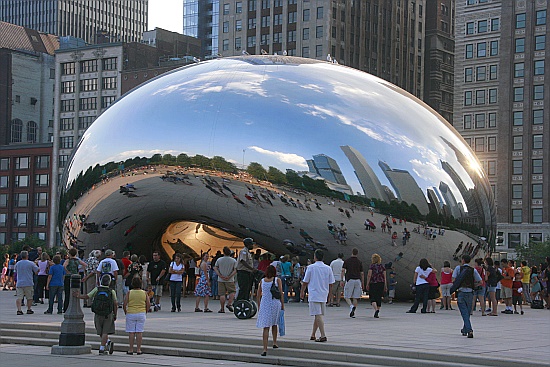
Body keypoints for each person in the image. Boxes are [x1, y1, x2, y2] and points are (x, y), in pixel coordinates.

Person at [74, 274, 118, 354]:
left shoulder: (97, 289)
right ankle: (104, 345)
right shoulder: (112, 291)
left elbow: (88, 296)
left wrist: (79, 296)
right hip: (108, 314)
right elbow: (115, 303)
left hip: (98, 313)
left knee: (100, 331)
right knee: (105, 331)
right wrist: (115, 314)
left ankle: (104, 346)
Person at [300, 249, 335, 343]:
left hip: (314, 293)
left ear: (315, 257)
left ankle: (323, 335)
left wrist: (302, 291)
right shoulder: (328, 268)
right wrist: (330, 295)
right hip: (324, 293)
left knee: (318, 315)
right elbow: (331, 283)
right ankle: (313, 334)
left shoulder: (311, 267)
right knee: (318, 314)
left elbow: (305, 281)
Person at [256, 265, 284, 356]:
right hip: (275, 303)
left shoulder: (262, 281)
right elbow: (280, 293)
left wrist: (259, 305)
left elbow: (258, 294)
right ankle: (275, 342)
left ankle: (264, 348)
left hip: (265, 304)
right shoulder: (277, 280)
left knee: (266, 327)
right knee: (274, 323)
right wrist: (282, 305)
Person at [452, 254, 482, 338]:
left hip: (461, 292)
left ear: (463, 260)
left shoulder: (458, 268)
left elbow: (453, 279)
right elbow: (480, 281)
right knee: (467, 312)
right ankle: (465, 329)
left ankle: (469, 330)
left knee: (464, 312)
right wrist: (473, 285)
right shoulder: (473, 270)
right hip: (470, 293)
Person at [123, 276, 150, 355]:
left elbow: (124, 304)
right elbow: (148, 304)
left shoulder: (129, 292)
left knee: (131, 332)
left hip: (131, 313)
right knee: (139, 332)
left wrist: (126, 312)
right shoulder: (144, 293)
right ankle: (138, 349)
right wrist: (145, 312)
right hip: (141, 313)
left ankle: (131, 349)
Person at [14, 251, 39, 315]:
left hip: (19, 282)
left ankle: (19, 310)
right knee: (29, 297)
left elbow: (15, 271)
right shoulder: (31, 263)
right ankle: (29, 309)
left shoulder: (17, 263)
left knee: (19, 297)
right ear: (27, 256)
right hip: (28, 282)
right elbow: (37, 270)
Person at [342, 248, 364, 318]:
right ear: (357, 253)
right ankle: (353, 311)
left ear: (352, 252)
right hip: (357, 280)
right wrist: (362, 282)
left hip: (350, 279)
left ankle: (351, 306)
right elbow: (362, 273)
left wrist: (342, 280)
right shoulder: (359, 262)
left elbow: (343, 270)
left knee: (346, 296)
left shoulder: (347, 261)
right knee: (355, 297)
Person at [214, 246, 237, 313]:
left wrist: (220, 275)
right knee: (232, 291)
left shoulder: (219, 260)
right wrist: (229, 276)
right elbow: (235, 270)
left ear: (223, 252)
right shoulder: (233, 260)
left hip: (221, 279)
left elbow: (215, 268)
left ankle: (222, 308)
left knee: (222, 294)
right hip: (230, 279)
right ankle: (229, 303)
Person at [63, 248, 87, 312]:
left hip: (68, 276)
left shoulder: (68, 260)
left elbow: (64, 266)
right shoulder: (77, 260)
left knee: (67, 293)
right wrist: (82, 271)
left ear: (69, 253)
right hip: (76, 276)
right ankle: (75, 307)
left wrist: (67, 271)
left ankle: (66, 307)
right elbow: (85, 264)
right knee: (75, 291)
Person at [366, 253, 386, 318]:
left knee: (372, 297)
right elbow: (384, 277)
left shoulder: (372, 266)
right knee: (379, 297)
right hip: (381, 283)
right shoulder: (382, 267)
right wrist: (385, 285)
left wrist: (367, 283)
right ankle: (377, 311)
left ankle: (376, 309)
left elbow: (369, 275)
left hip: (373, 282)